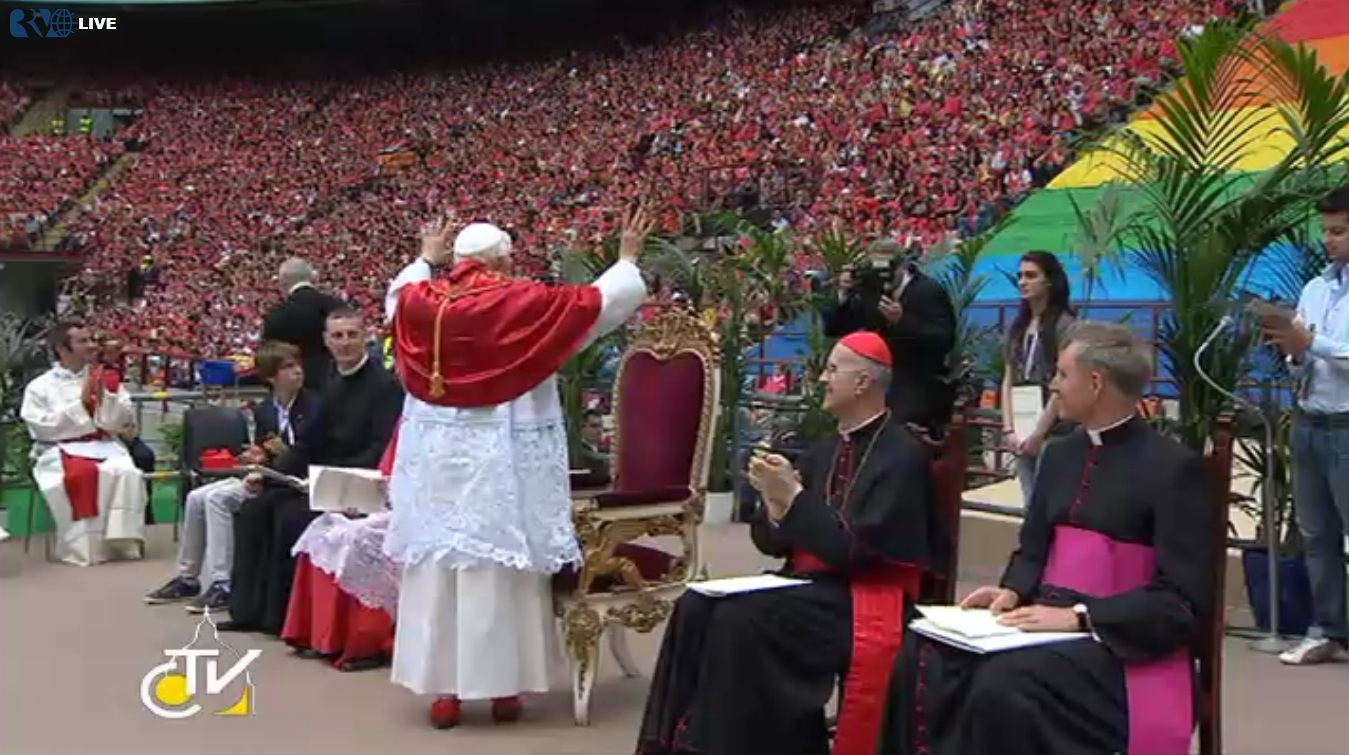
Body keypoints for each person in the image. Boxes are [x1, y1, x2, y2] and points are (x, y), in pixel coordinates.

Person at [876, 321, 1216, 755]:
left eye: (1061, 374)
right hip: (1043, 627)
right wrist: (1012, 591)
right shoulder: (1059, 455)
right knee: (922, 655)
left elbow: (1181, 603)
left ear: (1095, 383)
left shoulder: (1173, 469)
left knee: (1004, 684)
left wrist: (1082, 616)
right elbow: (1033, 549)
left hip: (1122, 647)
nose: (1052, 385)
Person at [383, 208, 652, 729]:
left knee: (441, 572)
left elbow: (397, 298)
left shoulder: (422, 301)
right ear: (503, 259)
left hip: (440, 463)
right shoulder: (524, 300)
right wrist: (625, 261)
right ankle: (504, 689)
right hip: (500, 465)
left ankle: (446, 694)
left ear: (458, 259)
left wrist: (424, 257)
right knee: (502, 569)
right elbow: (592, 309)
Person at [636, 332, 940, 755]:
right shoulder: (823, 450)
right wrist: (773, 501)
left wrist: (794, 499)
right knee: (696, 605)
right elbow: (772, 544)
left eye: (832, 370)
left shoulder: (903, 456)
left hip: (865, 595)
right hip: (811, 586)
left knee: (741, 621)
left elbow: (855, 552)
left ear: (863, 383)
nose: (821, 379)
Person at [222, 309, 403, 635]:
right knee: (255, 508)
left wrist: (325, 478)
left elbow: (380, 449)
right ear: (326, 341)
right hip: (323, 479)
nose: (345, 343)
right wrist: (267, 473)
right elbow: (308, 443)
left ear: (365, 337)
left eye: (352, 335)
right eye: (337, 336)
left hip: (360, 483)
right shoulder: (332, 384)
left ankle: (279, 618)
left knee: (289, 515)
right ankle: (247, 610)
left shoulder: (385, 386)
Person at [144, 341, 316, 613]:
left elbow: (310, 450)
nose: (297, 372)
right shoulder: (266, 411)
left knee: (218, 498)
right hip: (267, 476)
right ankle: (188, 578)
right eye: (288, 367)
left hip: (297, 481)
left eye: (297, 365)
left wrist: (278, 458)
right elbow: (265, 450)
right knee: (196, 497)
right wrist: (257, 459)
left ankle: (223, 583)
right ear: (271, 376)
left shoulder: (313, 406)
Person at [1261, 185, 1349, 666]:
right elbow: (1305, 358)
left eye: (1338, 231)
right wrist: (1293, 349)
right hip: (1310, 418)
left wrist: (1310, 341)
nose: (1329, 240)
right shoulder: (1315, 287)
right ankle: (1330, 629)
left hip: (1348, 423)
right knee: (1318, 534)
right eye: (1326, 231)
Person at [20, 321, 147, 566]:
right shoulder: (40, 387)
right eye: (83, 341)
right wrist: (81, 407)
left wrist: (106, 399)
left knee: (126, 472)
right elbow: (39, 425)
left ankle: (120, 543)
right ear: (62, 349)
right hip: (58, 448)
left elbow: (123, 419)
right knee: (84, 474)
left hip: (104, 444)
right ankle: (87, 549)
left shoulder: (103, 379)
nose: (92, 346)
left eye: (91, 339)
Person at [822, 239, 956, 431]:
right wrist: (844, 294)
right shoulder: (869, 290)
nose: (881, 274)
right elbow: (834, 329)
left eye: (886, 268)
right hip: (874, 387)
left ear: (902, 266)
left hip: (915, 385)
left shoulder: (928, 291)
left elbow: (944, 340)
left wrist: (902, 321)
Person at [1000, 251, 1076, 504]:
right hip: (1021, 428)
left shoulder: (1065, 326)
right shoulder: (1017, 326)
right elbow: (1008, 379)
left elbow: (1061, 383)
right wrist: (1009, 429)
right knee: (1029, 502)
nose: (1023, 281)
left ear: (1049, 281)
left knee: (1050, 504)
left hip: (1054, 432)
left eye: (1031, 276)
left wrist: (1039, 433)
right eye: (1020, 276)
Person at [261, 257, 349, 391]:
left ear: (283, 281)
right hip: (339, 384)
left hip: (296, 390)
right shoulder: (337, 306)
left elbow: (267, 360)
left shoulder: (276, 315)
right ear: (312, 278)